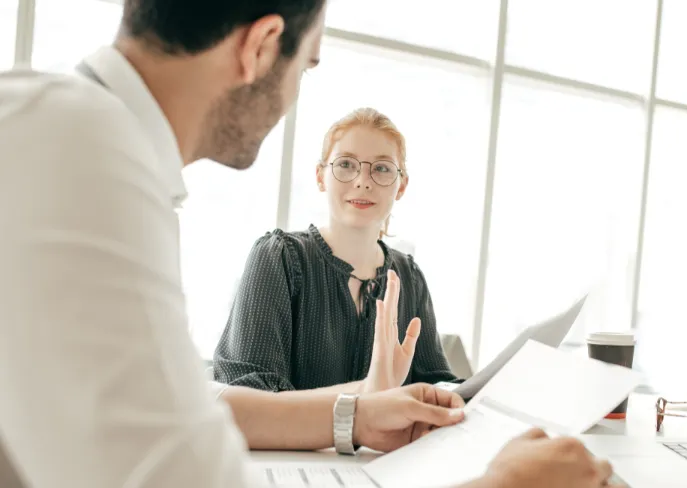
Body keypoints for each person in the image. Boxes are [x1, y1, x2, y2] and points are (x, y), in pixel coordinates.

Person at [0, 0, 622, 487]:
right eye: (308, 65)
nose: (295, 90)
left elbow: (195, 405)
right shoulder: (87, 162)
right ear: (263, 45)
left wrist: (360, 414)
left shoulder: (62, 130)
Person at [214, 108, 458, 395]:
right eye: (346, 164)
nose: (363, 181)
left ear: (401, 186)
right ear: (320, 177)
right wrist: (367, 393)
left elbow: (436, 388)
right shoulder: (278, 259)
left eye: (381, 168)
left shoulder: (410, 278)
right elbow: (251, 395)